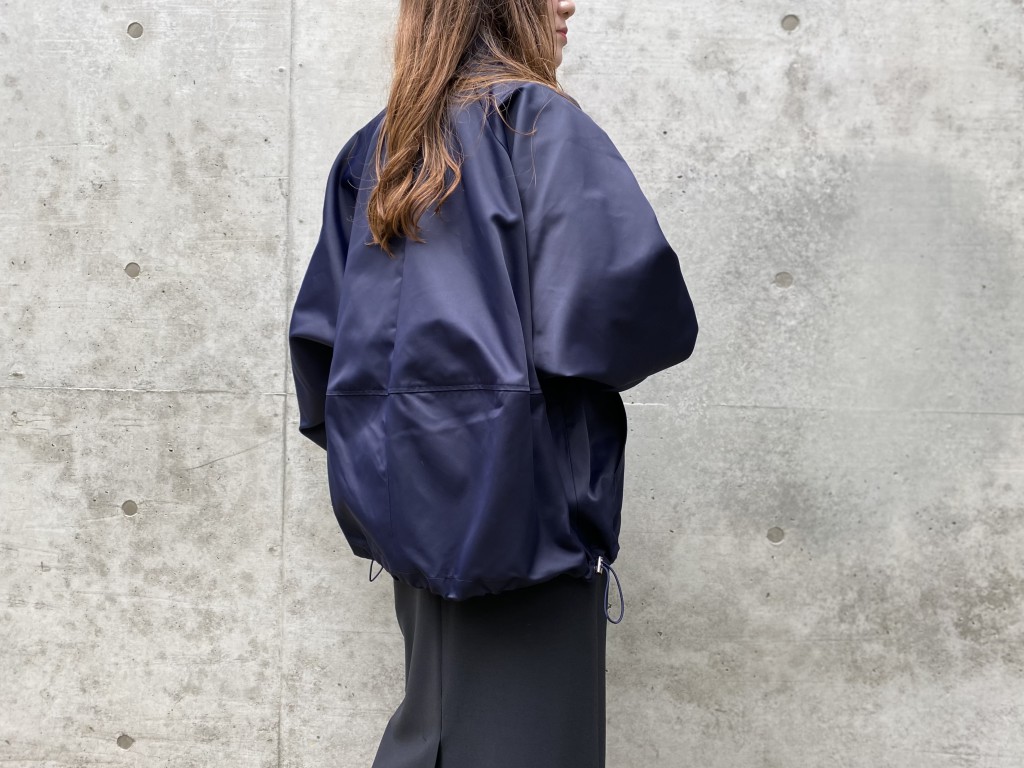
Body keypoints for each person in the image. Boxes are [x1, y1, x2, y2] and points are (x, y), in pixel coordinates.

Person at [288, 0, 699, 765]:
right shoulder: (537, 126)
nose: (566, 4)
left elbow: (321, 350)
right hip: (531, 526)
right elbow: (628, 319)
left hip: (411, 524)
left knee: (435, 734)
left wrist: (398, 470)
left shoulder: (378, 149)